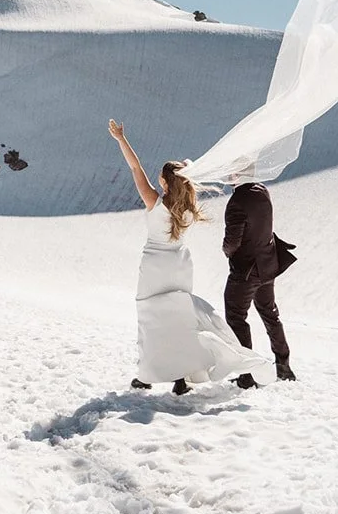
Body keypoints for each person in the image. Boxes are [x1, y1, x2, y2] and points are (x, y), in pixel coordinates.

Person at [108, 120, 267, 394]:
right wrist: (185, 168)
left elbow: (135, 168)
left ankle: (148, 375)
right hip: (180, 264)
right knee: (180, 320)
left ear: (163, 181)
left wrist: (121, 139)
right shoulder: (188, 207)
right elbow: (182, 177)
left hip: (155, 265)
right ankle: (180, 379)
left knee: (151, 317)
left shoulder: (154, 201)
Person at [222, 178, 296, 386]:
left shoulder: (237, 200)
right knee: (269, 313)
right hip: (268, 265)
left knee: (236, 317)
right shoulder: (262, 191)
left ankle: (247, 374)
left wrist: (226, 250)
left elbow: (232, 242)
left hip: (246, 271)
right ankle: (283, 364)